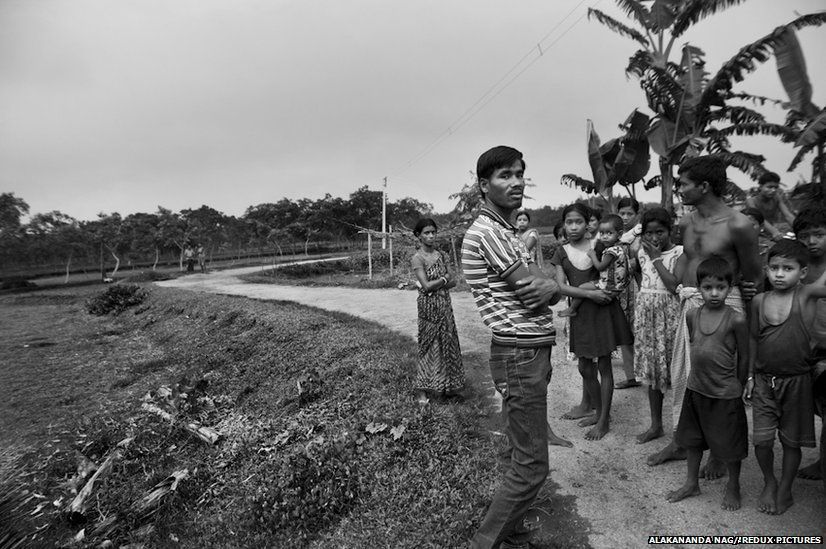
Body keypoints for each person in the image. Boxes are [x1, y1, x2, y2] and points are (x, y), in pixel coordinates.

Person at [461, 146, 562, 549]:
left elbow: (544, 283)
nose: (517, 181)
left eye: (520, 173)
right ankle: (484, 543)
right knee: (533, 466)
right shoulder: (488, 232)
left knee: (521, 451)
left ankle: (511, 526)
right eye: (505, 175)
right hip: (520, 353)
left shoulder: (506, 231)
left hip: (525, 349)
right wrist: (553, 284)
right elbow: (538, 294)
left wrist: (549, 282)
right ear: (484, 185)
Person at [647, 156, 761, 479]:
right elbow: (686, 261)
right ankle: (683, 441)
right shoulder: (686, 222)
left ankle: (721, 450)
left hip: (727, 305)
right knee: (684, 376)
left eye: (683, 183)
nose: (679, 189)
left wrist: (750, 336)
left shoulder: (738, 225)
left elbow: (753, 277)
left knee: (721, 381)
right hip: (691, 305)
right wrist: (674, 286)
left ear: (704, 186)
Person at [743, 239, 826, 514]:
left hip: (798, 382)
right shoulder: (758, 301)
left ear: (802, 272)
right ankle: (770, 482)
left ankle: (786, 489)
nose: (779, 274)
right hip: (765, 381)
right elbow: (754, 339)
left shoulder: (806, 296)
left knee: (791, 441)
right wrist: (751, 376)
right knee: (762, 441)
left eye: (787, 268)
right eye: (774, 268)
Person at [666, 257, 749, 510]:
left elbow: (744, 355)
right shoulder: (692, 315)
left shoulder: (736, 319)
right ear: (699, 287)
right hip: (696, 389)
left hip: (725, 393)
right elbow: (695, 346)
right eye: (708, 287)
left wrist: (740, 384)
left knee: (730, 444)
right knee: (692, 440)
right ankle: (692, 483)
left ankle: (733, 486)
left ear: (730, 287)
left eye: (721, 287)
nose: (714, 293)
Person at [550, 203, 633, 440]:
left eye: (578, 222)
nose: (573, 227)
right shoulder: (561, 252)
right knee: (585, 367)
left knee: (605, 367)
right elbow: (561, 286)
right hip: (580, 314)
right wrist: (588, 294)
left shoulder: (599, 245)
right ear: (564, 225)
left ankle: (604, 419)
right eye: (569, 222)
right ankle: (597, 410)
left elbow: (619, 266)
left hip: (603, 311)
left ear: (588, 223)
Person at [634, 208, 683, 444]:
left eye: (660, 232)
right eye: (649, 233)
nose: (654, 238)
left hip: (670, 320)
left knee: (675, 372)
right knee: (653, 374)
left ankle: (681, 432)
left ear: (670, 231)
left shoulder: (679, 253)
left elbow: (674, 286)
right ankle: (656, 425)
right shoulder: (640, 254)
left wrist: (655, 258)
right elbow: (639, 276)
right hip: (648, 320)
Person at [410, 218, 464, 405]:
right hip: (428, 308)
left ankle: (445, 389)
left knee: (447, 344)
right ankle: (421, 390)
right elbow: (426, 286)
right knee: (429, 346)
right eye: (426, 233)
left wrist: (438, 283)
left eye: (433, 232)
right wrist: (443, 279)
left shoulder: (442, 255)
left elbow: (454, 281)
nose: (431, 236)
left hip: (444, 305)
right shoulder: (418, 258)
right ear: (419, 235)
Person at [793, 206, 826, 489]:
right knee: (817, 407)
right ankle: (822, 461)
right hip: (805, 347)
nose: (812, 241)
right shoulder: (796, 266)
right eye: (806, 235)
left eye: (819, 234)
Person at [558, 214, 629, 318]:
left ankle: (572, 309)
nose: (604, 237)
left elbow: (600, 267)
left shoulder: (612, 251)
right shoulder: (621, 247)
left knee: (582, 287)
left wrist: (592, 256)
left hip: (608, 285)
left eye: (609, 233)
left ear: (619, 234)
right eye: (602, 233)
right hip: (617, 285)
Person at [615, 197, 643, 389]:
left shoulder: (642, 234)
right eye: (622, 213)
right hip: (621, 289)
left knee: (641, 330)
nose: (625, 217)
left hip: (639, 286)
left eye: (629, 214)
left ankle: (646, 373)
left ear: (637, 215)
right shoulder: (616, 235)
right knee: (625, 332)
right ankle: (631, 376)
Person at [745, 171, 796, 241]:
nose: (773, 190)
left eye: (776, 187)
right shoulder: (751, 201)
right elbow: (759, 219)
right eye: (769, 187)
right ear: (760, 187)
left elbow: (788, 215)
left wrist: (799, 229)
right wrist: (774, 232)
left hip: (771, 233)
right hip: (754, 234)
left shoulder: (777, 198)